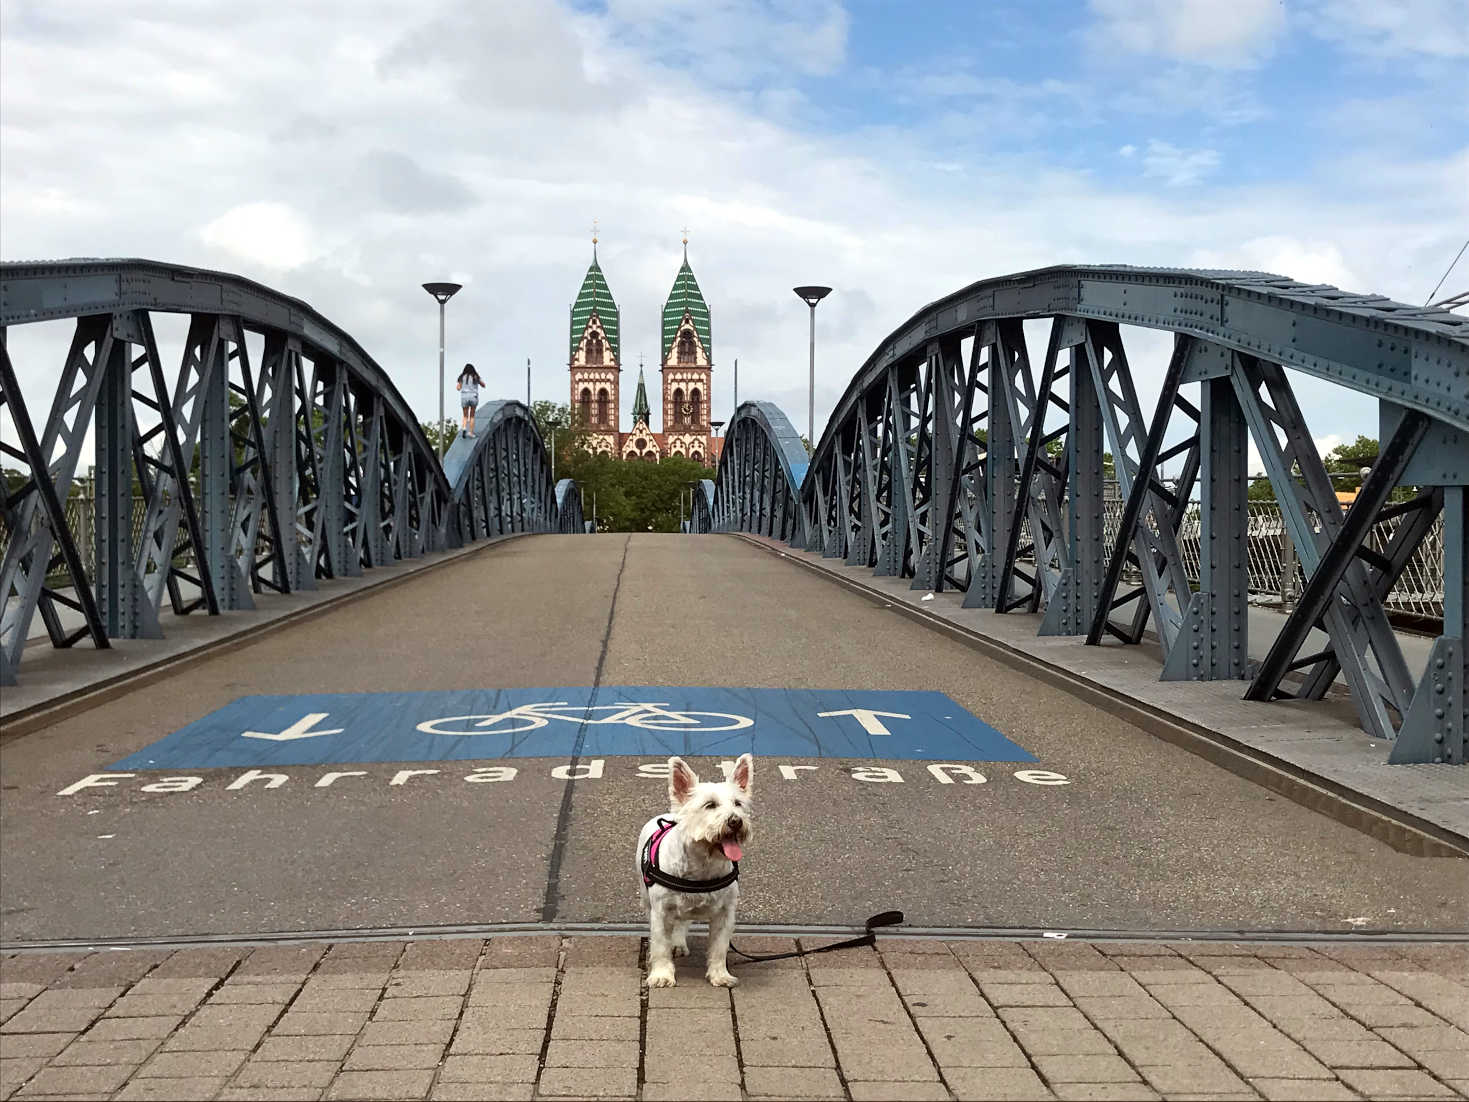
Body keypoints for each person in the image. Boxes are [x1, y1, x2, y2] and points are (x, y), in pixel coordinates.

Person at [456, 363, 485, 438]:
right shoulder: (475, 376)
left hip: (464, 397)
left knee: (465, 416)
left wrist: (463, 387)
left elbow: (458, 388)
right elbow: (483, 385)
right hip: (473, 397)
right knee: (472, 416)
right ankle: (471, 433)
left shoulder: (462, 377)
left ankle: (464, 428)